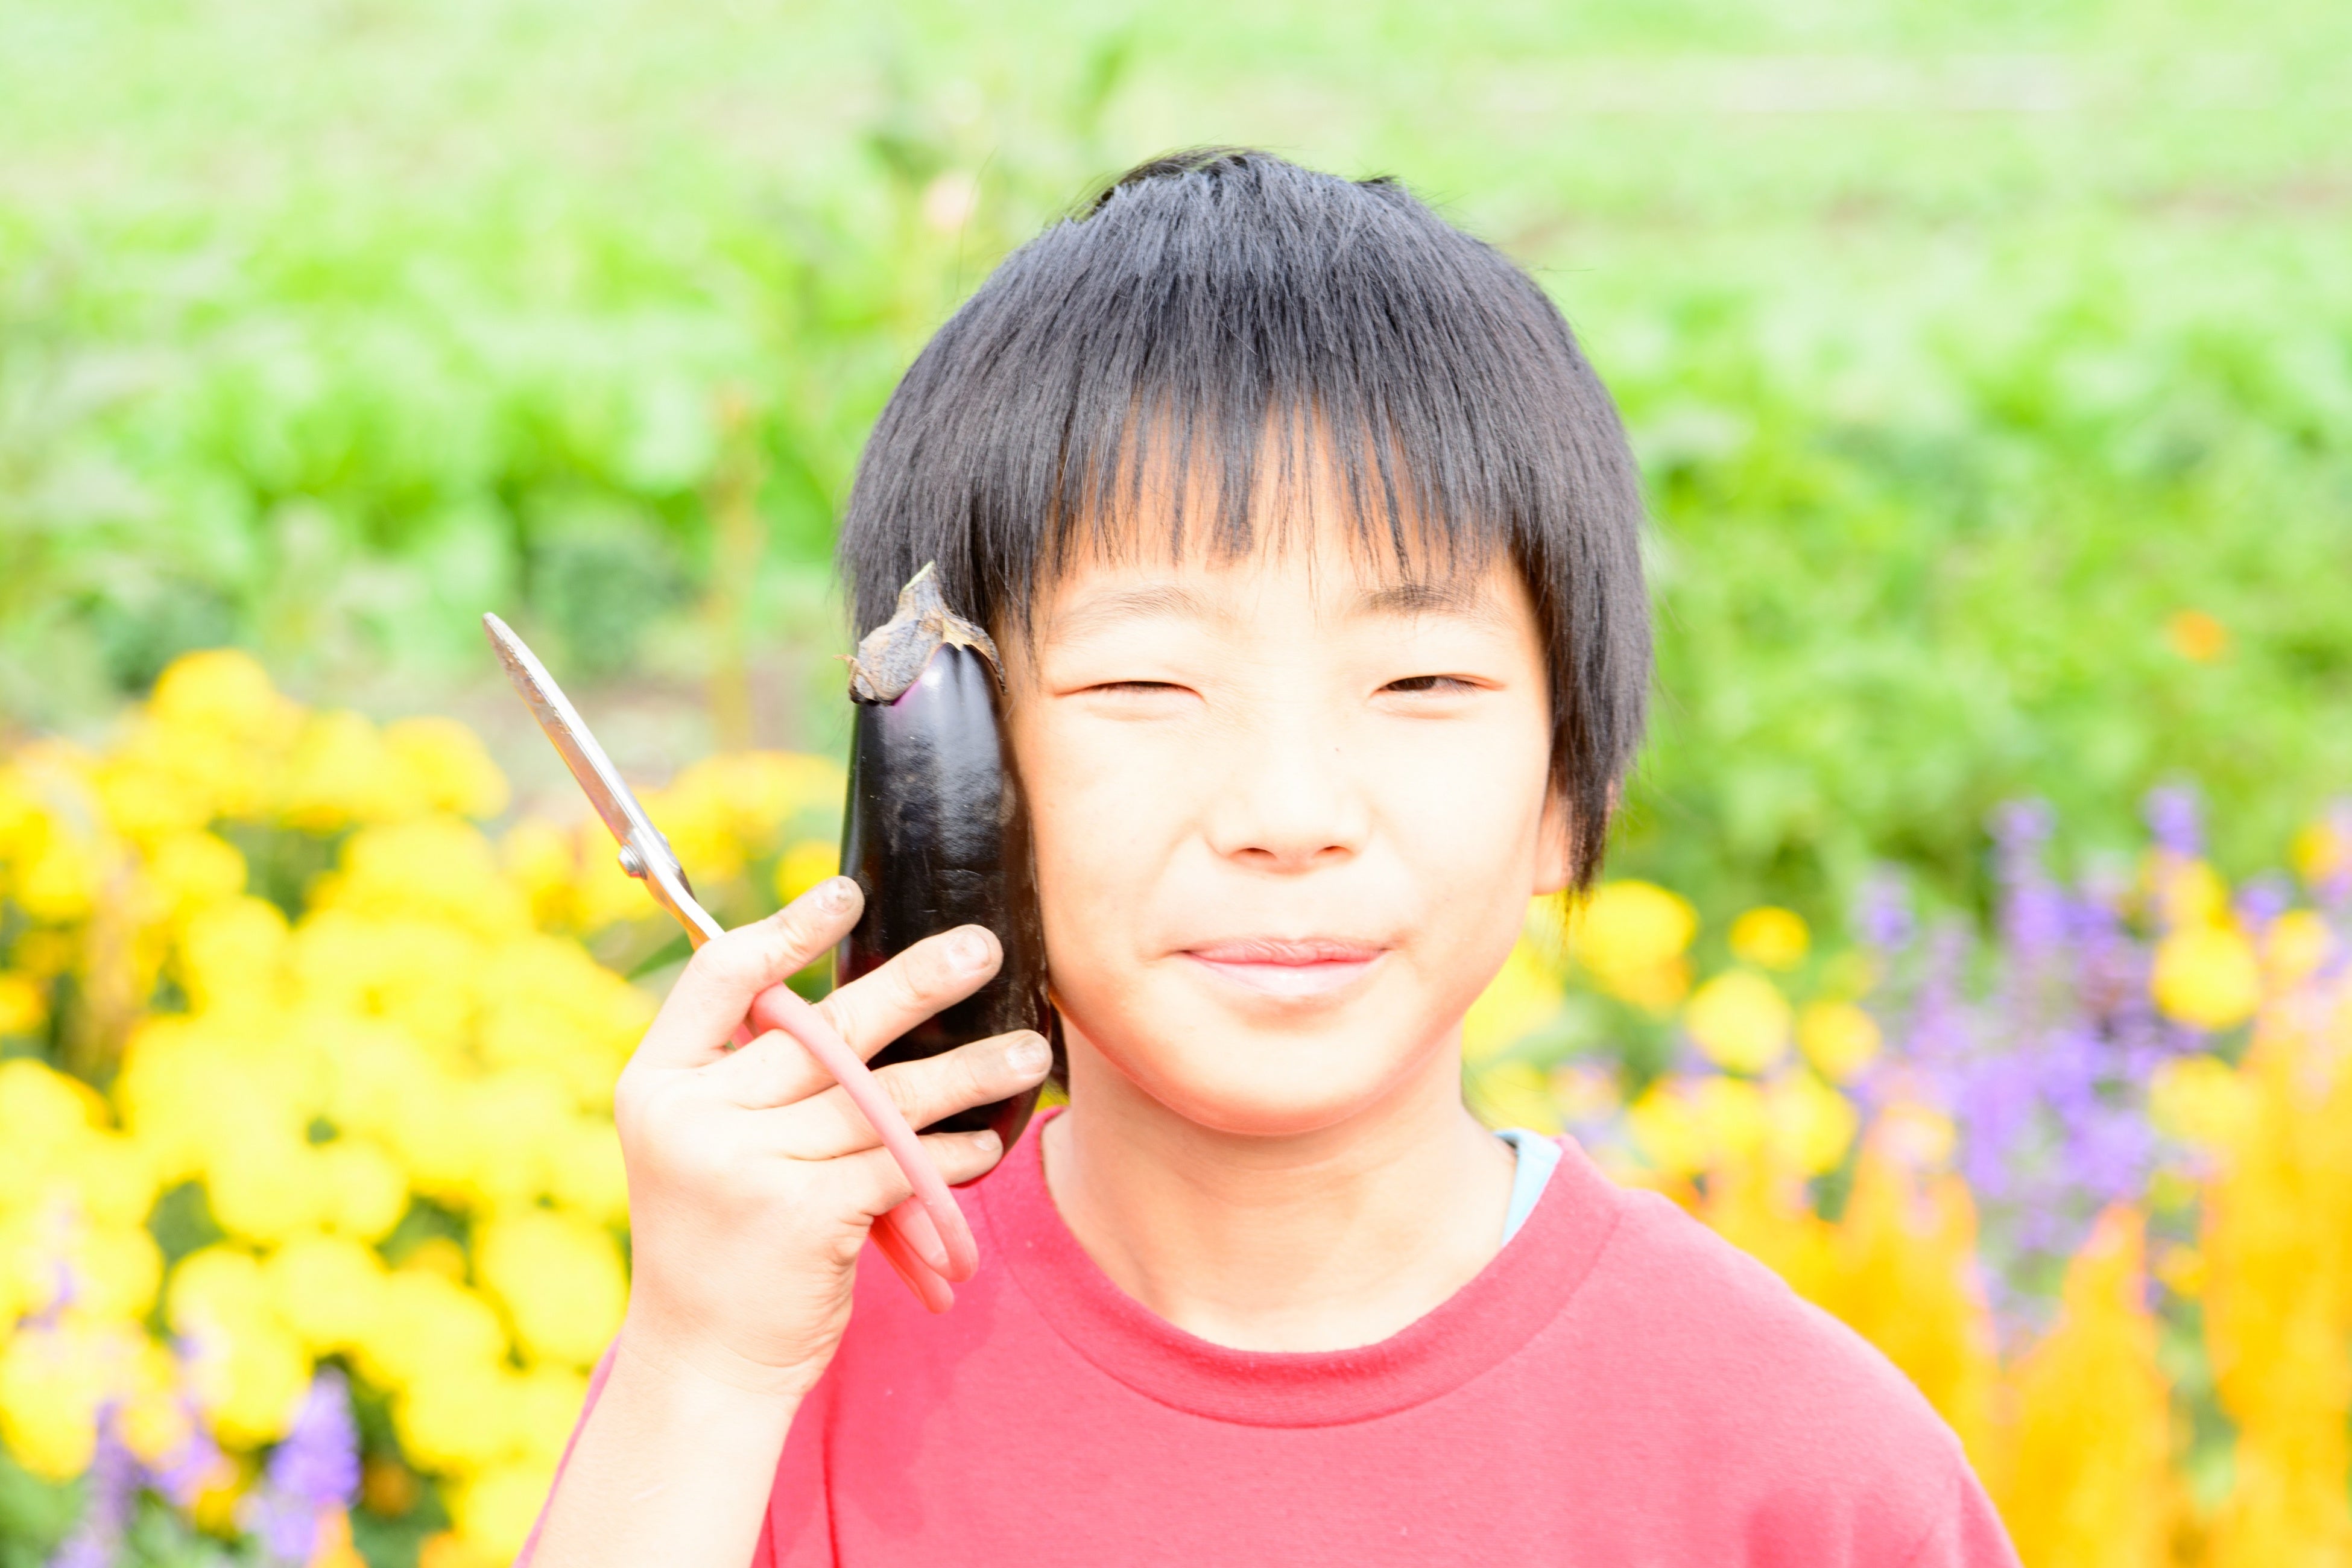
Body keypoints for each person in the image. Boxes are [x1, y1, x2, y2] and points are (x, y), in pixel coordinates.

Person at [521, 149, 2019, 1566]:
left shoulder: (1799, 1469)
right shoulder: (773, 1385)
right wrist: (701, 1363)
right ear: (952, 786)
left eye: (1423, 682)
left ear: (1569, 785)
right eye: (1143, 685)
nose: (1289, 809)